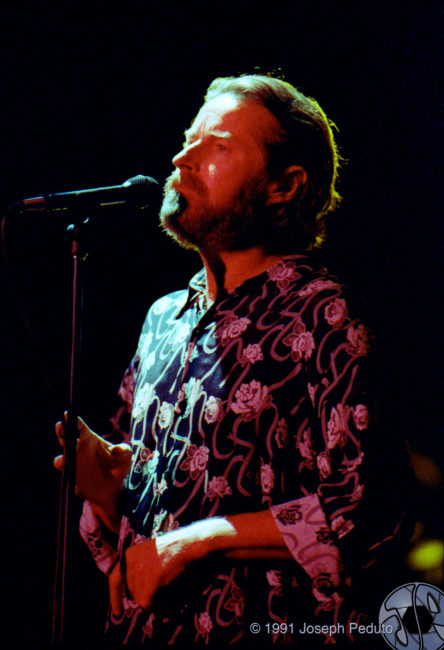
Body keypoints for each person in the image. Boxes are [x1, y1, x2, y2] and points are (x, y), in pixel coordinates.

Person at [55, 74, 412, 648]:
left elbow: (367, 513)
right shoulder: (163, 319)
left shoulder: (323, 314)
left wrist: (198, 541)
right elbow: (141, 530)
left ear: (284, 186)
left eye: (217, 147)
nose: (182, 159)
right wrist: (108, 489)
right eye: (188, 140)